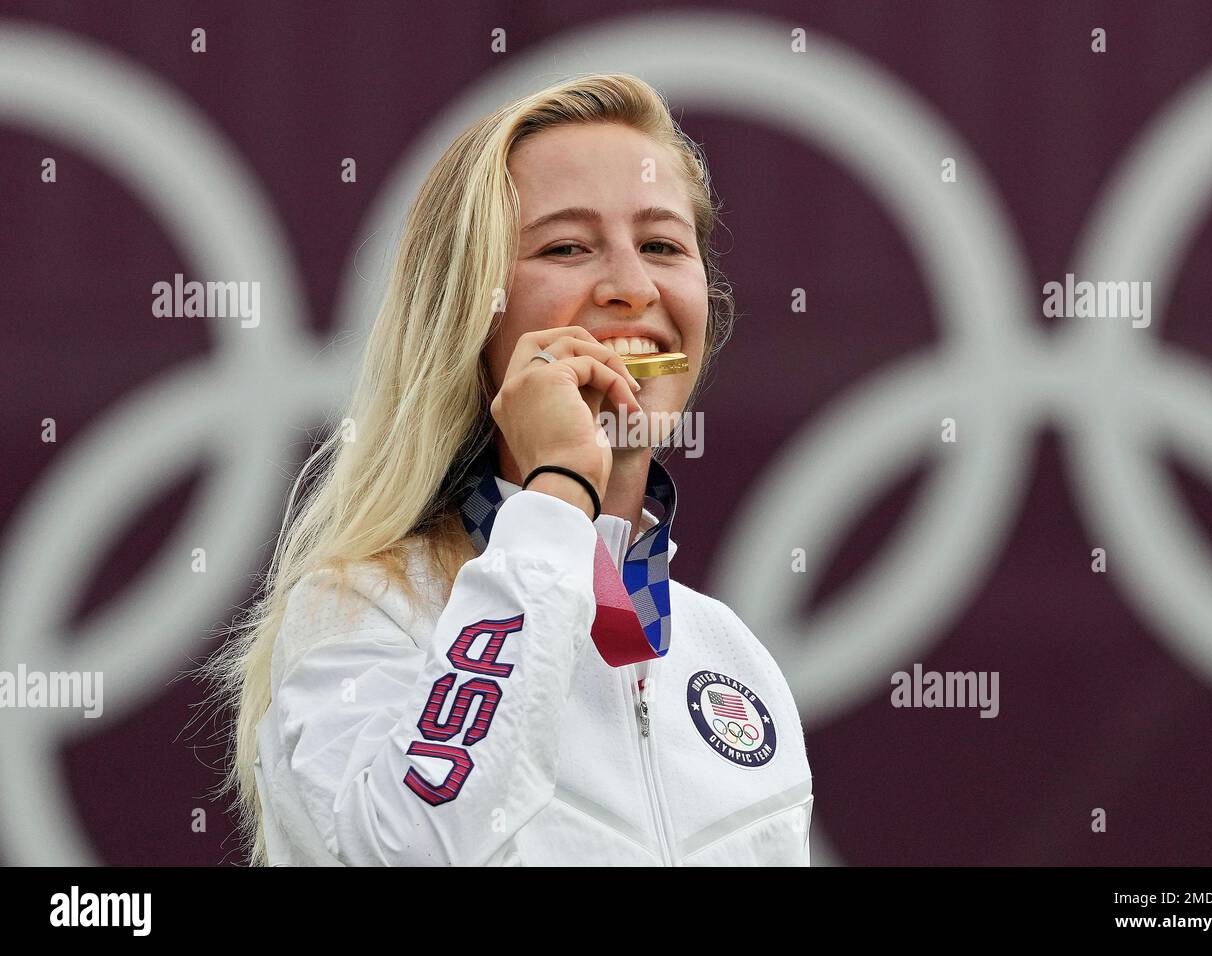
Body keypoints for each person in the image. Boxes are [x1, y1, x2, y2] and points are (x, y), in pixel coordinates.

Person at [204, 72, 813, 866]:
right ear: (467, 311)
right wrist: (558, 494)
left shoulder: (728, 653)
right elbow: (408, 851)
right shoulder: (366, 609)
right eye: (566, 246)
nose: (631, 287)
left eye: (662, 245)